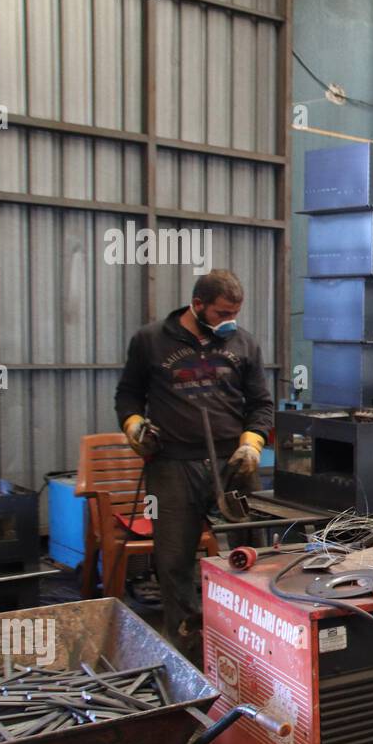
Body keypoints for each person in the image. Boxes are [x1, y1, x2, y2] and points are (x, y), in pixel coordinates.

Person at [115, 269, 274, 662]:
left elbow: (261, 405)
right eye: (222, 313)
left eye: (235, 312)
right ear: (197, 304)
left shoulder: (244, 344)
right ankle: (189, 650)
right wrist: (134, 425)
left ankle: (252, 639)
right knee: (174, 561)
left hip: (232, 463)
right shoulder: (150, 341)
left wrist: (252, 444)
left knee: (251, 551)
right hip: (172, 465)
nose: (229, 321)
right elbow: (128, 395)